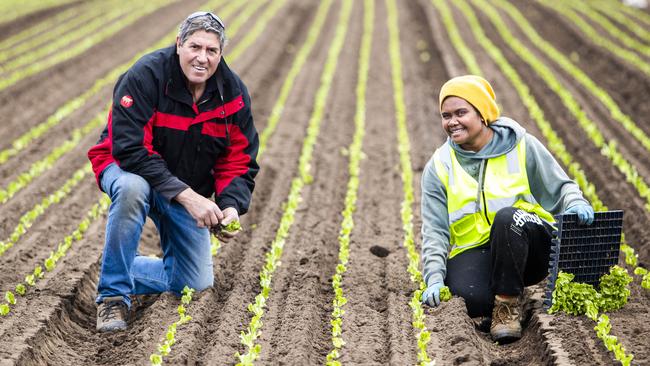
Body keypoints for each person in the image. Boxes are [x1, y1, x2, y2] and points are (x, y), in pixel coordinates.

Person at [87, 11, 259, 332]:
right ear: (179, 44)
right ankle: (112, 296)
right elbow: (131, 149)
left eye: (211, 51)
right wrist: (189, 197)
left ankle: (119, 267)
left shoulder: (232, 95)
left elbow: (238, 159)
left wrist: (230, 206)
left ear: (221, 54)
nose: (202, 58)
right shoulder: (145, 76)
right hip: (127, 168)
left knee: (194, 283)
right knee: (133, 188)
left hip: (181, 186)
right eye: (195, 47)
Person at [419, 75, 594, 343]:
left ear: (483, 113)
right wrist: (434, 277)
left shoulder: (521, 145)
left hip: (529, 242)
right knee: (470, 299)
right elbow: (435, 229)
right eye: (446, 115)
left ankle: (508, 305)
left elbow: (558, 186)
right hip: (479, 250)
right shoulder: (439, 165)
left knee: (507, 218)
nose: (451, 121)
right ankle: (500, 290)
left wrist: (575, 202)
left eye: (461, 112)